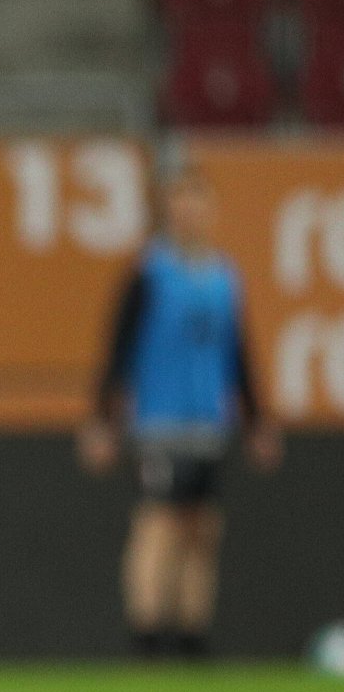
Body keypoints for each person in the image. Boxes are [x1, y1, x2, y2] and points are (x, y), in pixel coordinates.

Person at [78, 163, 280, 656]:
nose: (190, 212)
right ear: (170, 210)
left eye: (199, 202)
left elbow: (237, 354)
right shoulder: (149, 272)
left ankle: (192, 637)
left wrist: (256, 421)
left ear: (211, 211)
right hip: (160, 421)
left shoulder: (224, 276)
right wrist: (103, 420)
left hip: (208, 421)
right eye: (182, 202)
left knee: (202, 527)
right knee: (159, 522)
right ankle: (146, 635)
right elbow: (119, 348)